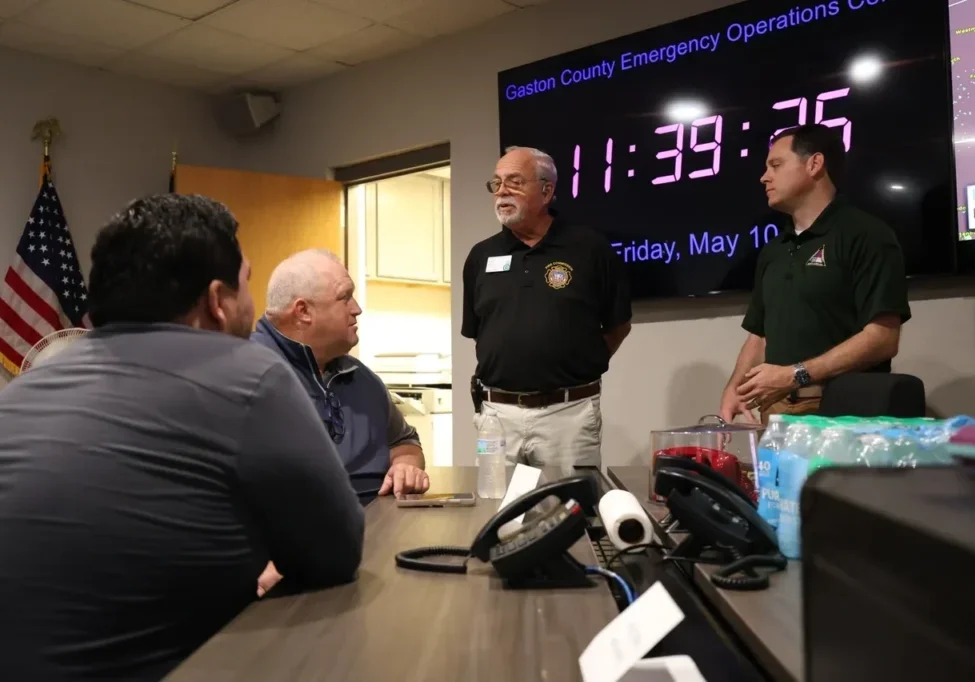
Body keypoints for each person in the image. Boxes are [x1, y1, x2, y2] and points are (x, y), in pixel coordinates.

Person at [0, 194, 365, 682]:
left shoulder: (24, 390)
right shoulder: (251, 374)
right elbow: (336, 553)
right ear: (217, 301)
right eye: (247, 283)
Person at [720, 124, 911, 424]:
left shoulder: (867, 235)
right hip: (776, 413)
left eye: (776, 165)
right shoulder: (773, 251)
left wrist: (795, 375)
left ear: (814, 164)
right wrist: (735, 389)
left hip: (843, 415)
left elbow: (883, 338)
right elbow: (759, 336)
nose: (764, 176)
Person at [461, 146, 632, 470]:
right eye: (496, 183)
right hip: (497, 416)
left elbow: (618, 326)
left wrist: (573, 366)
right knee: (499, 514)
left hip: (567, 414)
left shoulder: (589, 248)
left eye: (514, 181)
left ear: (546, 190)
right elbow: (479, 335)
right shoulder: (480, 256)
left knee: (570, 513)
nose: (502, 192)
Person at [251, 249, 430, 500]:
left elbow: (404, 441)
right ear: (303, 312)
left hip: (380, 528)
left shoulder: (361, 377)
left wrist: (406, 465)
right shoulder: (246, 377)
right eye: (345, 297)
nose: (357, 309)